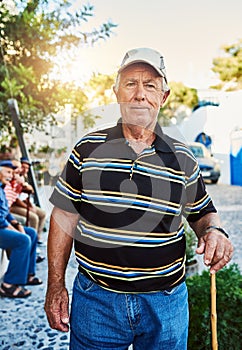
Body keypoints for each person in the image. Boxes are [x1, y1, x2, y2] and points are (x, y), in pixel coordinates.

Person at [44, 48, 233, 349]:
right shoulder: (88, 149)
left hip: (166, 305)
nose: (139, 94)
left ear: (164, 97)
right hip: (96, 301)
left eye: (150, 85)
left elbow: (203, 214)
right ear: (116, 92)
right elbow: (64, 215)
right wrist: (56, 285)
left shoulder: (182, 157)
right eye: (131, 83)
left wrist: (214, 232)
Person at [0, 160, 42, 298]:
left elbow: (6, 213)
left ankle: (27, 275)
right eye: (7, 171)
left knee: (31, 233)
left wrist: (16, 224)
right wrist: (12, 228)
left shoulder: (1, 188)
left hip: (3, 225)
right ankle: (8, 284)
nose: (11, 175)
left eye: (12, 172)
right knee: (22, 240)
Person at [10, 157, 46, 242]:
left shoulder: (22, 178)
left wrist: (29, 205)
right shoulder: (12, 178)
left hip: (22, 203)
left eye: (27, 168)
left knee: (43, 214)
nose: (24, 170)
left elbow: (30, 191)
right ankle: (31, 242)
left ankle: (38, 238)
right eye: (23, 167)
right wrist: (28, 207)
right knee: (34, 218)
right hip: (14, 206)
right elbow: (15, 199)